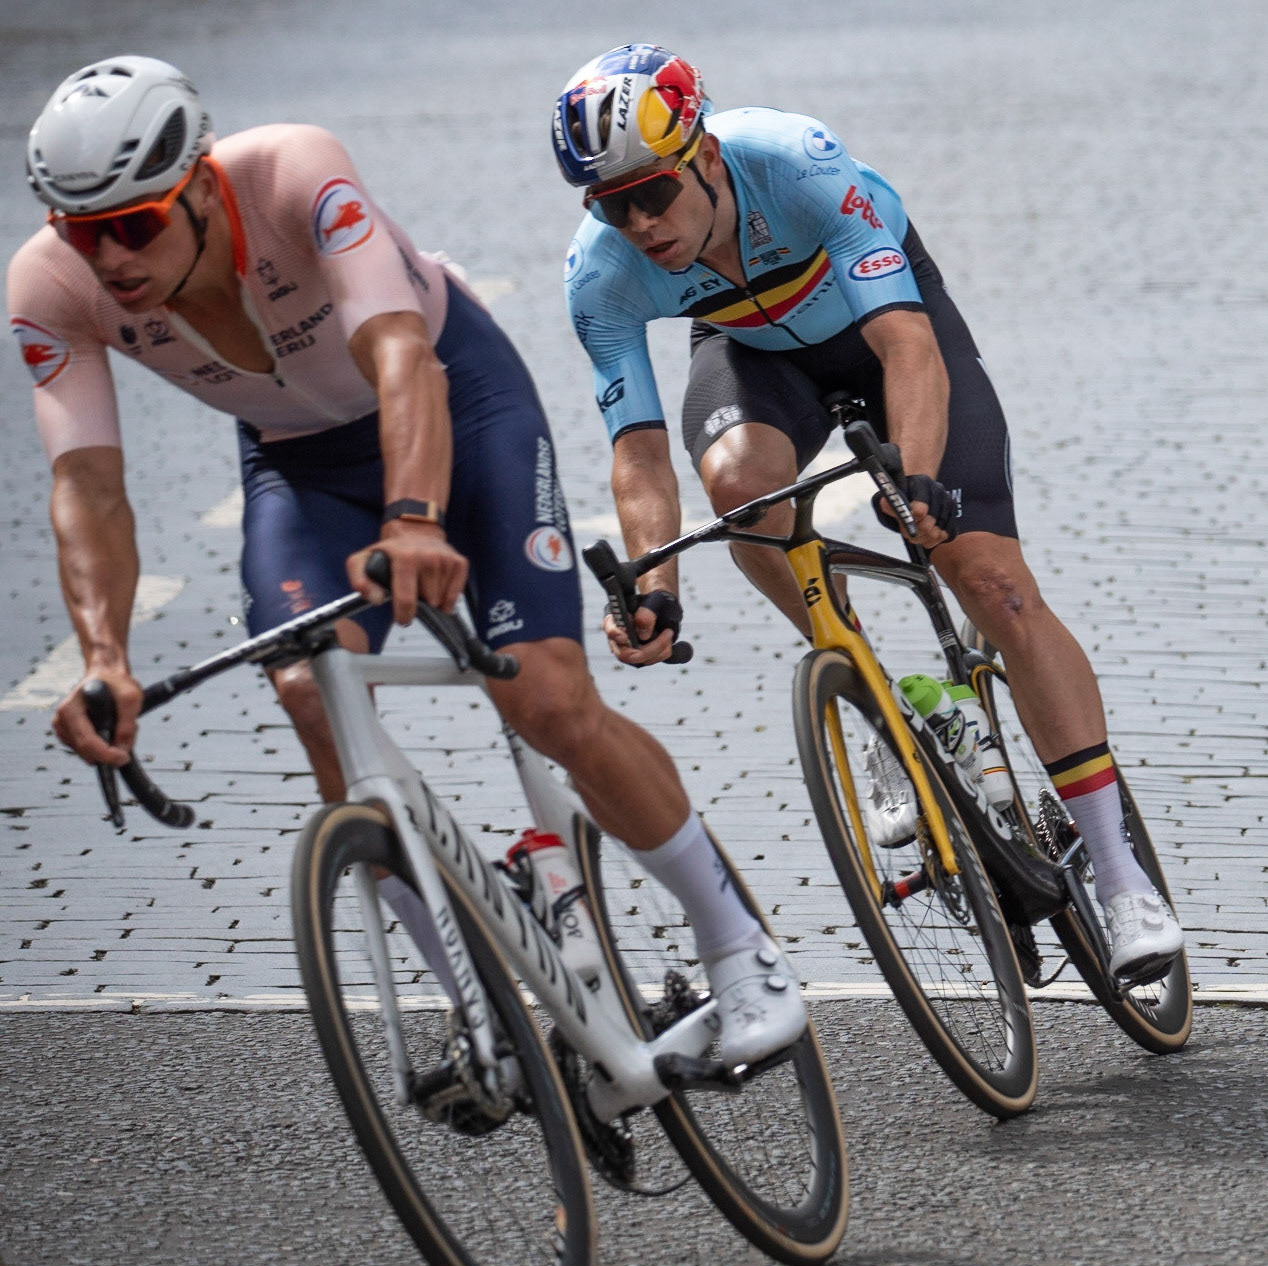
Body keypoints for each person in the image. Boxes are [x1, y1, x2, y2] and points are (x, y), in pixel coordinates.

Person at [8, 54, 807, 1067]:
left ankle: (740, 946)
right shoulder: (50, 287)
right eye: (85, 233)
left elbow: (398, 355)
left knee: (547, 701)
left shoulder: (295, 172)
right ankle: (480, 1001)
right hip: (299, 468)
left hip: (456, 402)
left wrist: (417, 520)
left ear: (203, 185)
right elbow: (88, 484)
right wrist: (104, 655)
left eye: (136, 223)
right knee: (308, 684)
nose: (112, 258)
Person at [550, 43, 1183, 983]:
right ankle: (879, 697)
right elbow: (639, 452)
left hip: (886, 327)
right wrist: (654, 580)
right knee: (738, 494)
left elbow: (907, 350)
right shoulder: (598, 277)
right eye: (613, 205)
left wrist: (916, 483)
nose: (640, 224)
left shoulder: (794, 162)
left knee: (991, 580)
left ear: (707, 158)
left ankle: (1123, 876)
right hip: (754, 354)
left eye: (654, 194)